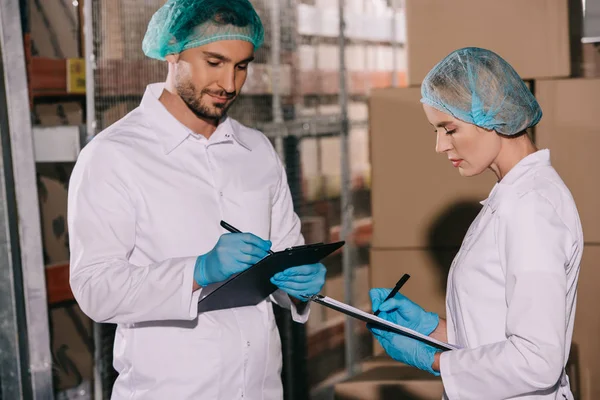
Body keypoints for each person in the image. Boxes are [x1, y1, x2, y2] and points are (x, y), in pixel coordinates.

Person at [67, 0, 326, 398]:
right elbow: (94, 289)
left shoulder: (256, 150)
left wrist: (297, 284)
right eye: (214, 61)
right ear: (172, 50)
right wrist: (197, 270)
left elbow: (285, 252)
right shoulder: (114, 155)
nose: (230, 84)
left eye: (242, 66)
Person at [369, 47, 583, 400]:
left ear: (492, 116)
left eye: (449, 128)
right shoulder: (511, 197)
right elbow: (494, 332)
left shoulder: (531, 207)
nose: (440, 146)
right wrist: (431, 329)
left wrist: (436, 361)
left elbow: (537, 359)